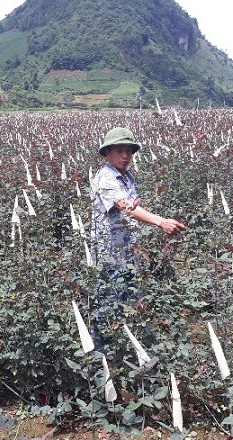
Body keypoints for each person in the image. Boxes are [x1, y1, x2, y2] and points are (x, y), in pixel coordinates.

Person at [91, 127, 186, 353]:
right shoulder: (105, 178)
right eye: (119, 151)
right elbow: (126, 207)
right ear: (107, 153)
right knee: (107, 301)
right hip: (109, 252)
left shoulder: (127, 177)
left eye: (129, 152)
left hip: (127, 249)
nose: (125, 156)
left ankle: (126, 347)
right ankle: (102, 355)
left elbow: (133, 207)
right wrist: (161, 221)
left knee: (129, 298)